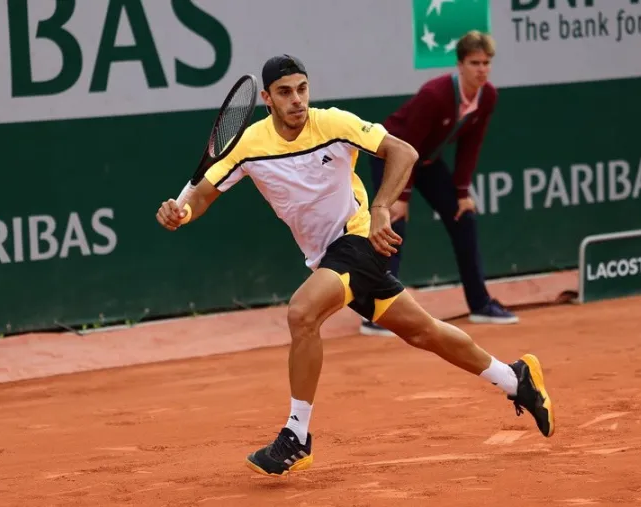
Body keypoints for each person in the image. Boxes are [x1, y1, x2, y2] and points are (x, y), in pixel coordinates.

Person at [155, 54, 554, 477]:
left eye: (302, 89)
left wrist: (382, 207)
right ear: (268, 99)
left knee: (302, 312)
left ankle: (297, 436)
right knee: (424, 331)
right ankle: (516, 379)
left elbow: (403, 151)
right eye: (286, 92)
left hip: (358, 238)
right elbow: (201, 195)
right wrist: (181, 214)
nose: (297, 100)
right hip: (325, 256)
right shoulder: (249, 144)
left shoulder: (332, 123)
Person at [361, 31, 518, 338]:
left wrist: (461, 193)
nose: (482, 69)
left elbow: (471, 145)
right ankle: (377, 311)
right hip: (391, 155)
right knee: (392, 224)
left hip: (427, 161)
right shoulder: (435, 94)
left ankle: (480, 304)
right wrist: (401, 197)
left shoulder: (488, 97)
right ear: (460, 64)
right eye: (475, 63)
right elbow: (407, 145)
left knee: (464, 217)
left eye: (486, 63)